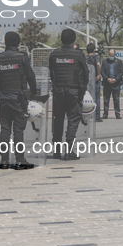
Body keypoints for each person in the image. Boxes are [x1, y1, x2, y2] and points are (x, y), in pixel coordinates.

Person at [0, 31, 37, 170]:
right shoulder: (22, 57)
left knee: (5, 129)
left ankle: (4, 161)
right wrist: (34, 93)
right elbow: (30, 76)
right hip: (18, 99)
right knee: (18, 129)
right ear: (18, 43)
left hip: (4, 98)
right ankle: (20, 160)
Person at [49, 29, 89, 160]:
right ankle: (69, 151)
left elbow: (52, 73)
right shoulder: (78, 54)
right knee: (73, 120)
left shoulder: (54, 54)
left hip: (58, 92)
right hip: (74, 92)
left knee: (58, 120)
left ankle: (56, 151)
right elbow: (86, 74)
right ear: (73, 40)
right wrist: (82, 90)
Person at [101, 48, 123, 119]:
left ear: (115, 55)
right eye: (109, 55)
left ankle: (117, 114)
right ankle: (105, 114)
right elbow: (102, 71)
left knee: (116, 99)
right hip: (107, 83)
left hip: (116, 83)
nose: (111, 56)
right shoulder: (105, 62)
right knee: (106, 99)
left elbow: (121, 72)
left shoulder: (119, 62)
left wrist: (116, 79)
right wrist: (107, 79)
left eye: (112, 55)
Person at [86, 43, 102, 122]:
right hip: (95, 79)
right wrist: (98, 75)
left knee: (88, 98)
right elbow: (98, 64)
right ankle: (97, 116)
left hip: (87, 80)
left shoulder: (85, 57)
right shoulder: (96, 56)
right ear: (94, 50)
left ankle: (88, 114)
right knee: (96, 98)